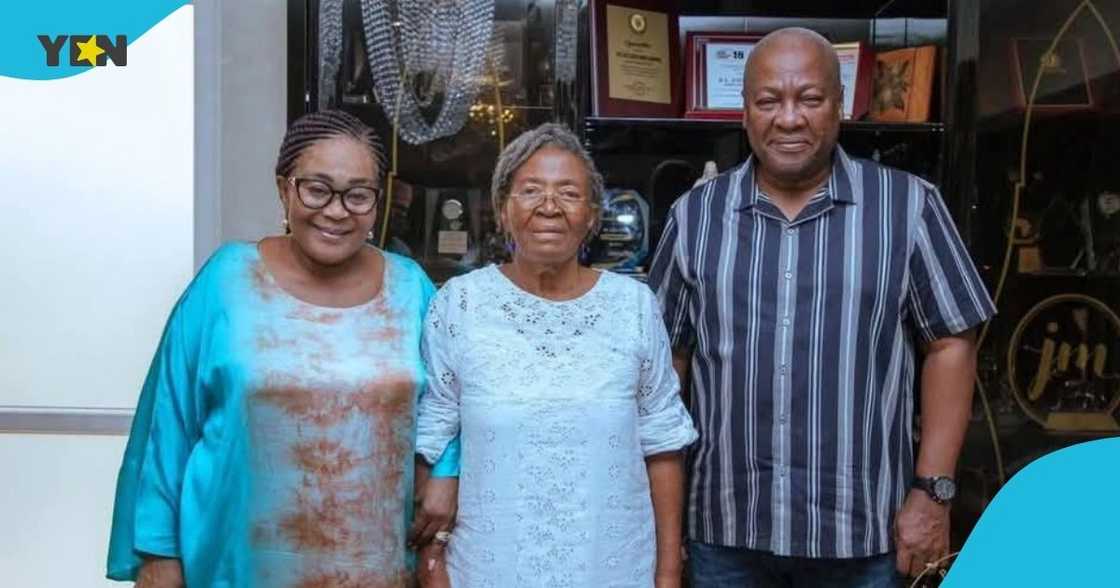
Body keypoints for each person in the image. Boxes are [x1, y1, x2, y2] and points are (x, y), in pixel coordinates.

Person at [648, 28, 996, 587]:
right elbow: (666, 363)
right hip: (725, 529)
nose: (789, 118)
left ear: (840, 106)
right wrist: (662, 518)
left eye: (809, 98)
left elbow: (951, 344)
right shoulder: (695, 216)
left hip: (864, 535)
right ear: (745, 112)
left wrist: (934, 493)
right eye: (769, 101)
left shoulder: (907, 207)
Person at [106, 110, 459, 587]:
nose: (337, 210)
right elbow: (168, 426)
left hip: (376, 562)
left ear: (378, 203)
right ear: (284, 189)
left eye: (358, 195)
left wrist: (445, 474)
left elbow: (450, 398)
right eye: (317, 188)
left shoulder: (411, 287)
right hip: (238, 561)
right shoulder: (226, 281)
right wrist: (157, 554)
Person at [415, 122, 698, 587]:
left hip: (613, 568)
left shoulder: (632, 306)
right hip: (488, 568)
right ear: (503, 212)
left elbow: (663, 443)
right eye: (530, 191)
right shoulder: (460, 304)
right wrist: (432, 568)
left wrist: (668, 573)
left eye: (568, 193)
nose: (549, 206)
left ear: (591, 216)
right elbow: (434, 437)